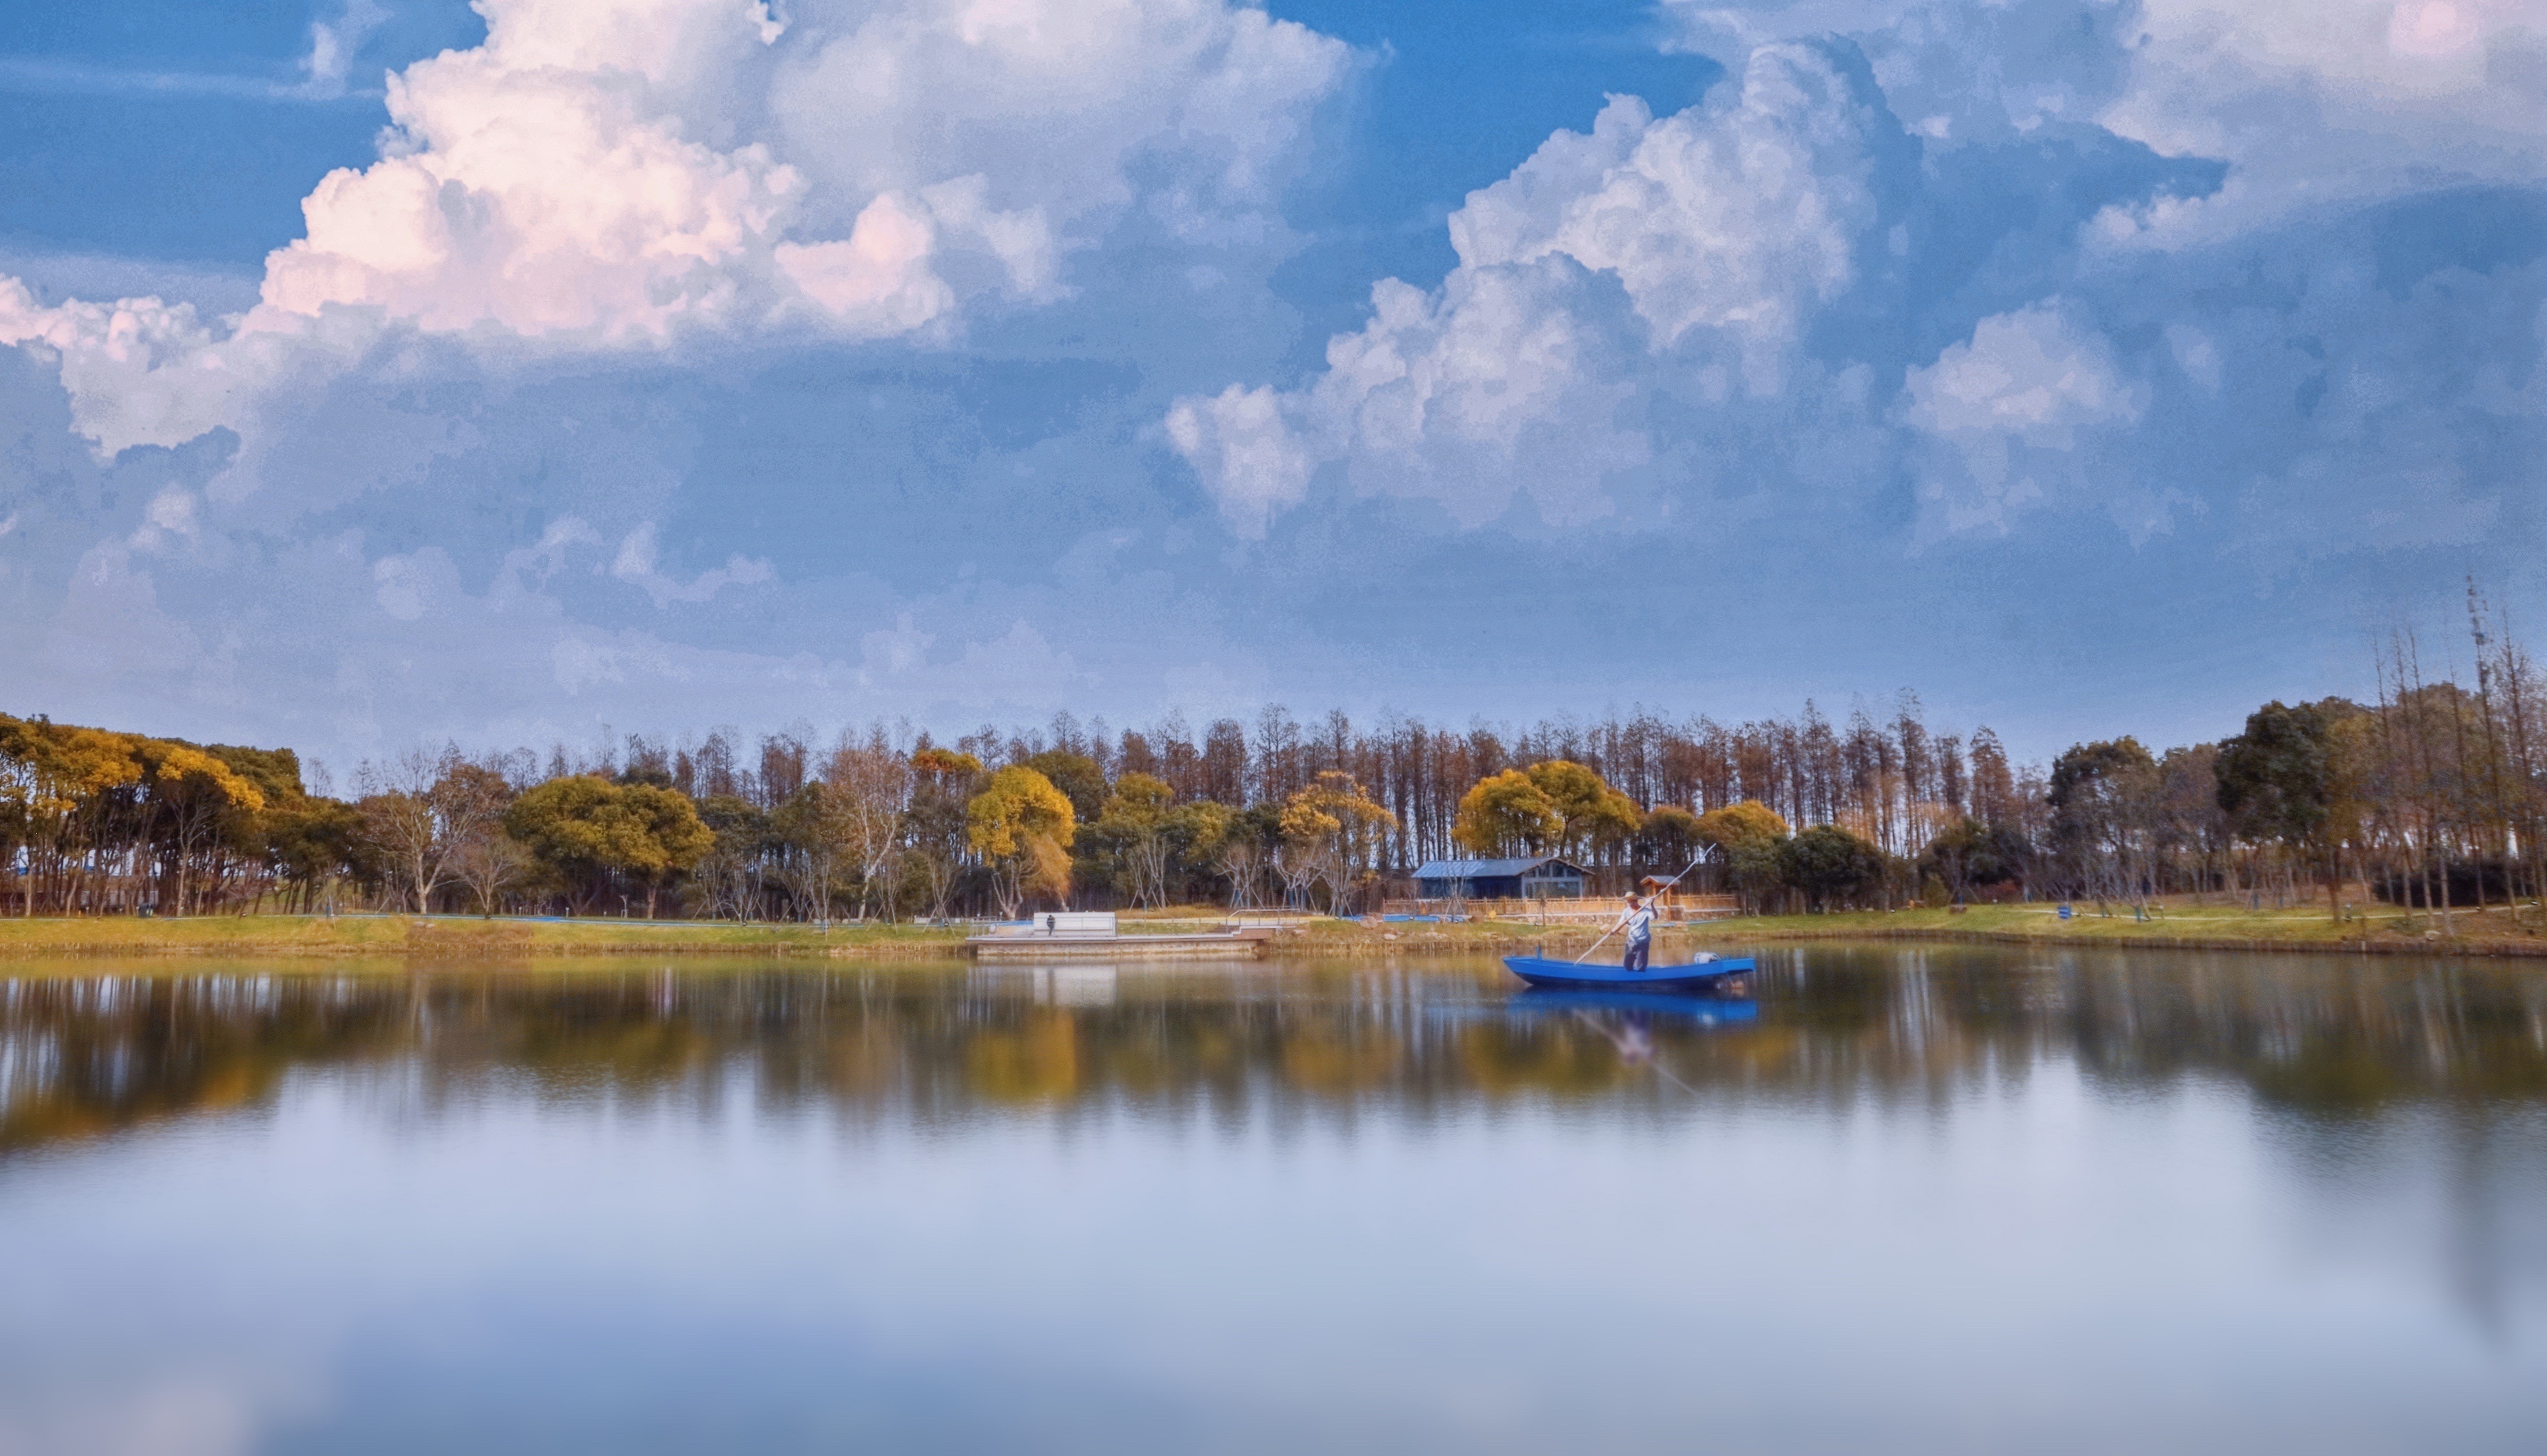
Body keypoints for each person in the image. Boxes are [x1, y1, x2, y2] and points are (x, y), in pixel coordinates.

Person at [1615, 891, 1657, 973]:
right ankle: (1629, 981)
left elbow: (1655, 917)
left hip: (1643, 941)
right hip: (1631, 940)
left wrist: (1652, 905)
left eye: (1632, 901)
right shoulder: (1626, 912)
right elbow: (1620, 923)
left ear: (1636, 901)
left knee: (1641, 967)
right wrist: (1614, 930)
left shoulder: (1645, 911)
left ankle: (1641, 980)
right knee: (1627, 966)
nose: (1630, 904)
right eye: (1629, 902)